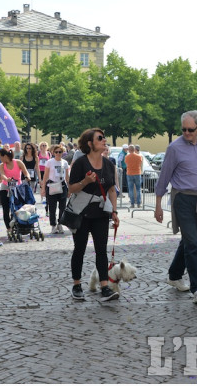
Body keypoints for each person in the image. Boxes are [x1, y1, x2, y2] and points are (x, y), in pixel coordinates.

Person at [155, 111, 197, 305]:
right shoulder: (174, 148)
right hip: (182, 199)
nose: (187, 132)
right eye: (184, 129)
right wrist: (157, 205)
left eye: (191, 129)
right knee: (192, 244)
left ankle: (174, 275)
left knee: (189, 241)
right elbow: (164, 175)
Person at [68, 128, 120, 302]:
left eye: (104, 138)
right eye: (100, 138)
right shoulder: (81, 164)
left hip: (101, 214)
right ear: (90, 143)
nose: (104, 140)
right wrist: (85, 181)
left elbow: (111, 189)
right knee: (80, 250)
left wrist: (114, 211)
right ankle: (77, 285)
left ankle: (104, 287)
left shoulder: (108, 165)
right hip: (81, 214)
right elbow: (71, 188)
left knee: (101, 251)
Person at [0, 148, 31, 236]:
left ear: (5, 156)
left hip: (18, 188)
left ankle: (17, 224)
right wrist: (6, 179)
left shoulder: (18, 162)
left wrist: (27, 177)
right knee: (6, 209)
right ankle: (9, 228)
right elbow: (2, 174)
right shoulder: (2, 165)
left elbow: (25, 172)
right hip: (5, 187)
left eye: (0, 156)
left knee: (17, 207)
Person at [41, 144, 70, 234]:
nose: (58, 153)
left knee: (62, 207)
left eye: (60, 152)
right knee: (52, 207)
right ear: (53, 153)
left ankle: (60, 223)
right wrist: (43, 188)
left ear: (62, 152)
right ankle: (53, 225)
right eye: (56, 152)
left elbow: (67, 176)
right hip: (52, 185)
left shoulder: (65, 162)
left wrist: (69, 188)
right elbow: (45, 175)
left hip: (62, 185)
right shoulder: (50, 162)